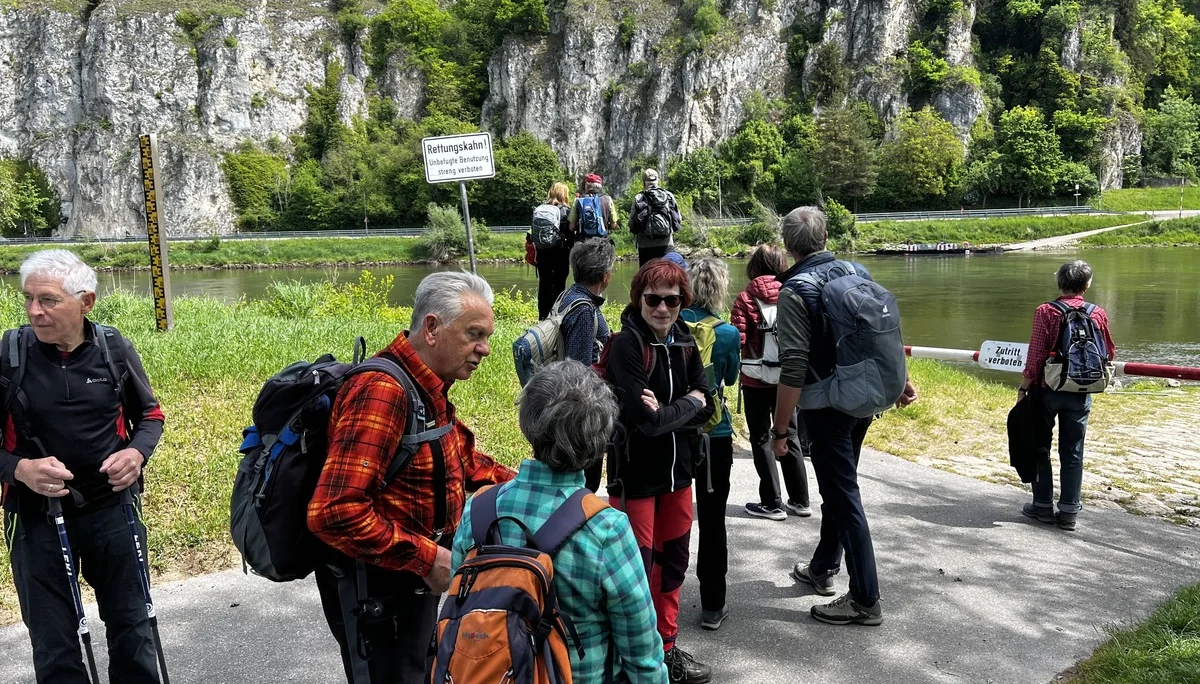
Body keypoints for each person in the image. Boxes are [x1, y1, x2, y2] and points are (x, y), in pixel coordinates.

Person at [307, 271, 517, 684]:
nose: (485, 349)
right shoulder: (382, 391)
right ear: (432, 328)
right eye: (474, 334)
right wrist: (429, 559)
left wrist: (533, 486)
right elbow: (333, 512)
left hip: (411, 580)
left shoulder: (427, 384)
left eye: (487, 336)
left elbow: (459, 459)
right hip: (378, 590)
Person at [1, 249, 166, 683]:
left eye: (48, 300)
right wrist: (20, 470)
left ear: (85, 302)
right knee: (54, 641)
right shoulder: (9, 352)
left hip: (112, 510)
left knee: (132, 626)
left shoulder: (113, 348)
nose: (34, 311)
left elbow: (151, 416)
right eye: (28, 298)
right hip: (35, 517)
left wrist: (136, 454)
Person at [450, 360, 669, 683]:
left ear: (528, 422)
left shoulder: (479, 509)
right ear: (600, 438)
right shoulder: (606, 528)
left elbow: (459, 601)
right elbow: (641, 653)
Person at [771, 207, 917, 628]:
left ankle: (866, 600)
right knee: (840, 488)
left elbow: (793, 367)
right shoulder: (856, 271)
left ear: (788, 246)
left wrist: (779, 430)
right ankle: (822, 568)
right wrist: (901, 380)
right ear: (825, 237)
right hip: (863, 399)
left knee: (843, 496)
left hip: (827, 407)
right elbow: (882, 336)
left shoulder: (795, 291)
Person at [604, 259, 714, 684]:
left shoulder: (685, 341)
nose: (663, 309)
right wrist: (689, 403)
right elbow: (646, 422)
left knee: (673, 567)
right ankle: (633, 658)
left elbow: (706, 402)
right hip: (635, 478)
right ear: (639, 299)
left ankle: (666, 650)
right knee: (634, 573)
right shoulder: (626, 345)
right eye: (653, 300)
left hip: (679, 476)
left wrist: (674, 408)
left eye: (672, 300)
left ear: (683, 301)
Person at [1017, 260, 1116, 532]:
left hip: (1047, 390)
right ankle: (1069, 511)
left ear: (1059, 283)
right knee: (1073, 450)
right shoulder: (1097, 313)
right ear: (1087, 285)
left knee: (1041, 447)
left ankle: (1042, 505)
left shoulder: (1046, 311)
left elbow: (1036, 355)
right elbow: (1109, 351)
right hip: (1081, 390)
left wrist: (1024, 388)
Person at [730, 244, 812, 521]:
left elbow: (739, 339)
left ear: (753, 266)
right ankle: (800, 500)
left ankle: (772, 503)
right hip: (787, 379)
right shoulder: (793, 293)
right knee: (790, 433)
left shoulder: (745, 298)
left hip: (755, 379)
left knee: (761, 438)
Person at [678, 258, 739, 632]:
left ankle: (662, 596)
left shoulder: (672, 323)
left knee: (672, 514)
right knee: (713, 519)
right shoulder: (727, 333)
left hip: (677, 430)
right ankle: (713, 605)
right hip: (714, 434)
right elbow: (729, 378)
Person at [558, 238, 616, 492]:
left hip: (567, 401)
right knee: (584, 484)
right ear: (605, 276)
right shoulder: (583, 310)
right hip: (581, 411)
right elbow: (578, 368)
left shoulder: (570, 295)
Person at [534, 182, 575, 319]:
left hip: (542, 253)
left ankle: (542, 317)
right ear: (564, 194)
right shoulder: (566, 211)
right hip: (560, 253)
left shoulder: (540, 210)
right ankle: (557, 316)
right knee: (559, 284)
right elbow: (570, 233)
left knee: (544, 284)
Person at [630, 169, 682, 265]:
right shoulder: (668, 195)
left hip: (645, 247)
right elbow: (678, 219)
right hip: (667, 246)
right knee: (666, 273)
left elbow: (632, 224)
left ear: (643, 183)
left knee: (648, 274)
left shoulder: (639, 198)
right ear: (658, 180)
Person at [569, 173, 618, 240]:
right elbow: (613, 225)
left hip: (583, 241)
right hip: (602, 241)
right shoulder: (608, 199)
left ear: (587, 185)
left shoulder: (578, 200)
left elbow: (571, 227)